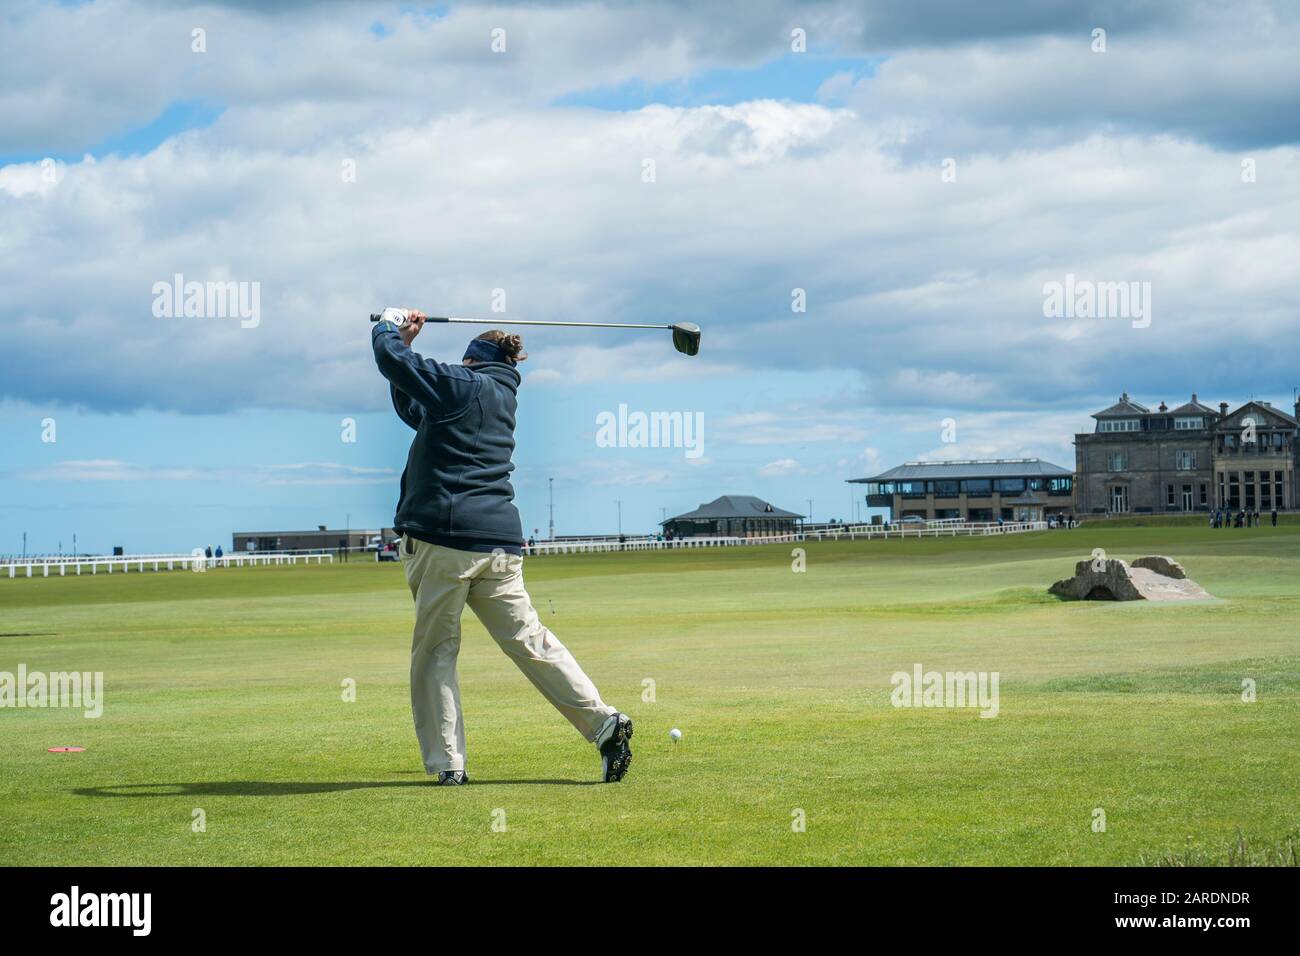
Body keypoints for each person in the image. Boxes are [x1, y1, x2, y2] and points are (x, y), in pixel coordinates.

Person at [372, 309, 632, 785]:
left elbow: (391, 361)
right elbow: (414, 405)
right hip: (498, 546)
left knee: (436, 653)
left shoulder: (464, 385)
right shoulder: (498, 395)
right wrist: (406, 350)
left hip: (444, 542)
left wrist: (390, 329)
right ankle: (603, 723)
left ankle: (449, 763)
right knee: (530, 642)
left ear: (470, 360)